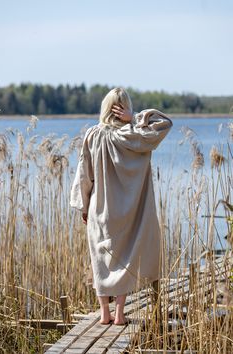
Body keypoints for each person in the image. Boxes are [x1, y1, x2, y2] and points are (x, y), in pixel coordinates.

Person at [70, 87, 173, 325]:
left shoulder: (92, 135)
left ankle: (104, 314)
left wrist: (84, 206)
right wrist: (134, 118)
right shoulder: (134, 135)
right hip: (130, 210)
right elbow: (165, 123)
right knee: (124, 259)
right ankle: (118, 314)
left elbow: (84, 175)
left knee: (100, 258)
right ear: (125, 107)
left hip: (99, 208)